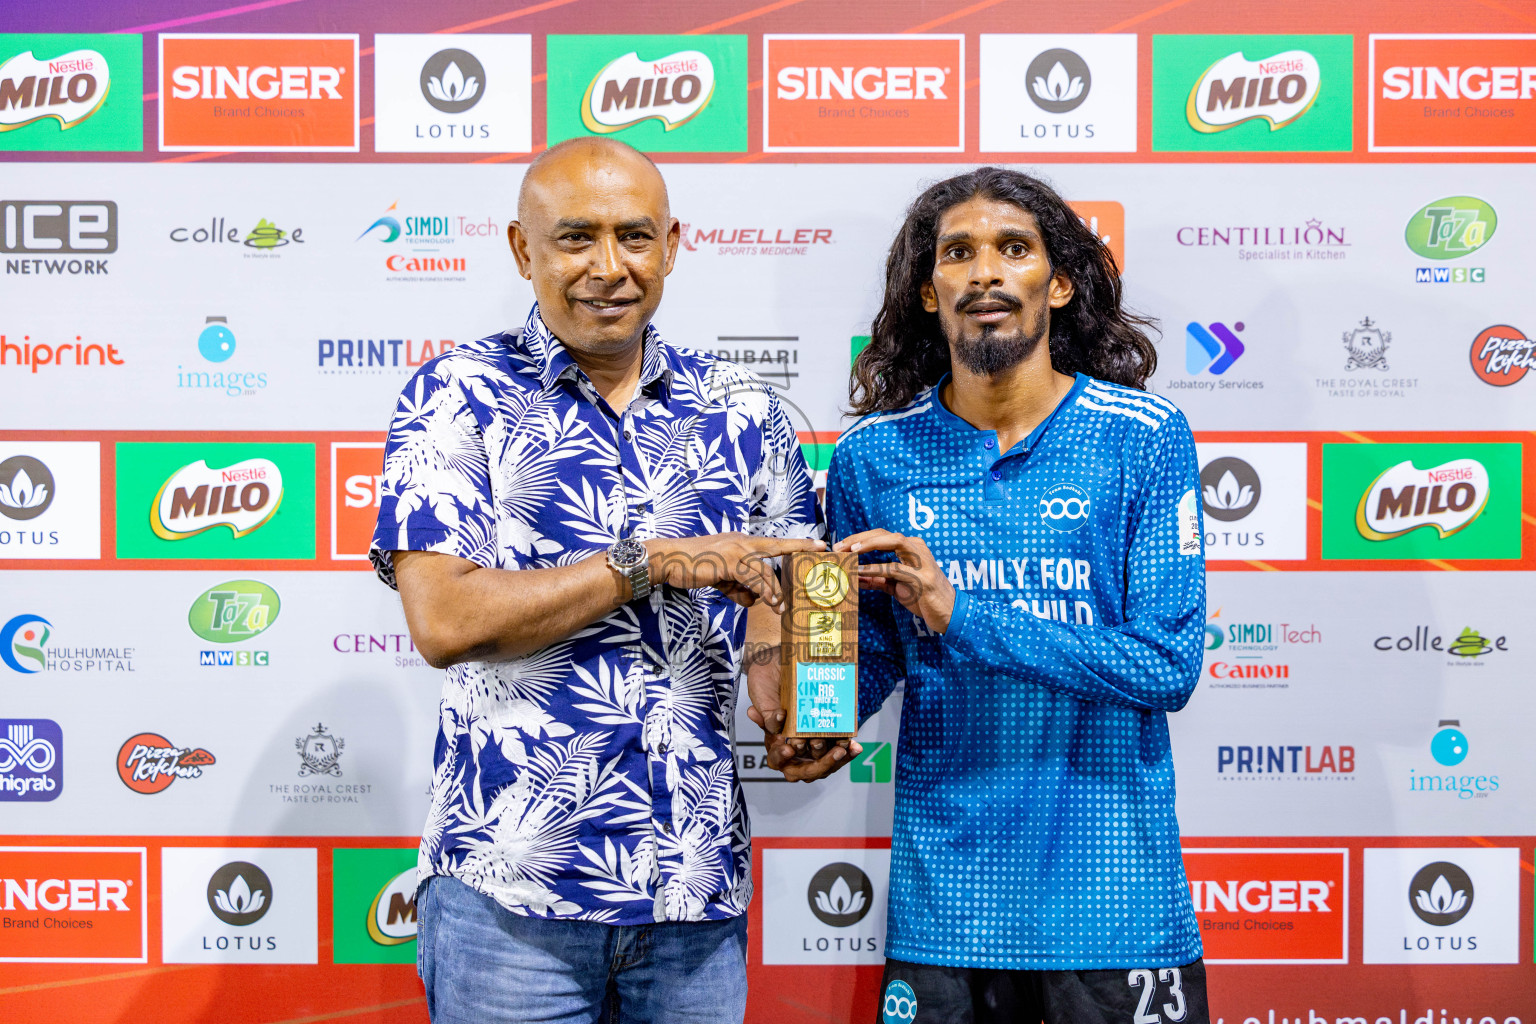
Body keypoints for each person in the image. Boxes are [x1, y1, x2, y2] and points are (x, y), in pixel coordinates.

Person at [370, 136, 829, 1024]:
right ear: (522, 249)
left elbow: (798, 595)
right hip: (511, 901)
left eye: (634, 237)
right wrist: (647, 562)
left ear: (672, 245)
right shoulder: (457, 394)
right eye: (577, 237)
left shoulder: (748, 412)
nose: (609, 268)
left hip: (695, 895)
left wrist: (800, 704)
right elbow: (444, 621)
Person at [804, 167, 1211, 1023]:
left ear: (1058, 284)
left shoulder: (1142, 437)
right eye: (959, 253)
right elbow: (866, 653)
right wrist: (817, 715)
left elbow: (1167, 664)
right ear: (927, 292)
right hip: (950, 908)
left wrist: (962, 615)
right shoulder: (873, 458)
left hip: (1115, 912)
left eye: (1013, 249)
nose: (985, 272)